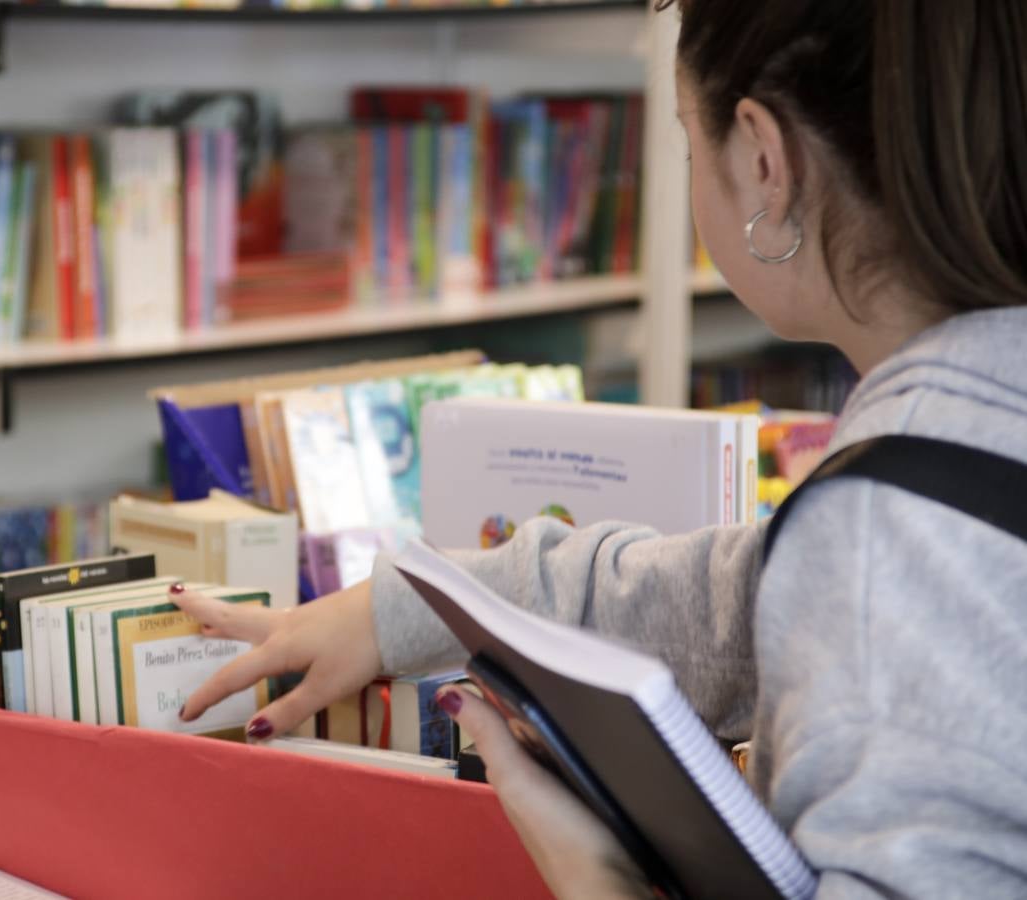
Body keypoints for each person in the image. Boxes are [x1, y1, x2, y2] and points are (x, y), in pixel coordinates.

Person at [174, 0, 1027, 895]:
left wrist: (599, 878)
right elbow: (724, 602)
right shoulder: (942, 465)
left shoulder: (887, 527)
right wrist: (408, 610)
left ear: (766, 162)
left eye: (686, 145)